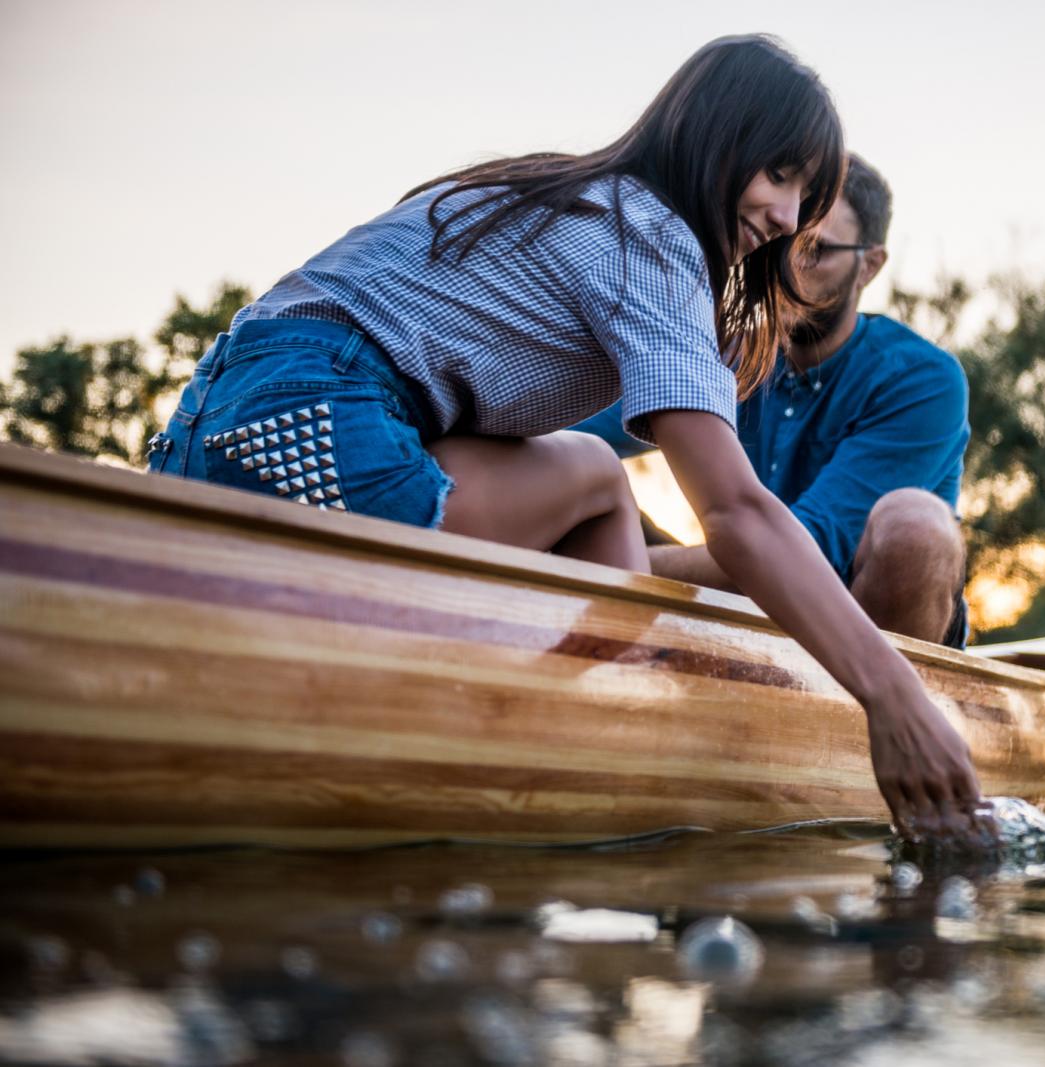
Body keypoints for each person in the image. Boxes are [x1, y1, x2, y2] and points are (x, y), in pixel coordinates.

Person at [145, 35, 985, 845]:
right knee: (595, 477)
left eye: (806, 198)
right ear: (715, 135)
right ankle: (608, 745)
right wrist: (892, 694)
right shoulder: (651, 239)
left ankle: (565, 723)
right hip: (331, 432)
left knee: (587, 473)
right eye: (778, 175)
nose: (784, 216)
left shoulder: (555, 193)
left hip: (203, 435)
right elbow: (734, 510)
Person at [575, 154, 970, 647]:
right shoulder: (727, 353)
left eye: (816, 251)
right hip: (751, 607)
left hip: (861, 613)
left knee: (917, 527)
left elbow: (817, 549)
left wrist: (609, 565)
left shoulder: (921, 378)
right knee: (573, 468)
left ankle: (896, 711)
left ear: (868, 265)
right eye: (783, 246)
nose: (788, 269)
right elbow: (575, 427)